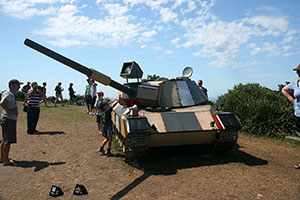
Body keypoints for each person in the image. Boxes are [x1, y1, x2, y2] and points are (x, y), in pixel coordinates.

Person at [281, 64, 300, 169]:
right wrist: (292, 100)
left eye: (299, 71)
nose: (298, 73)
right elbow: (284, 90)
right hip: (298, 115)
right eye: (297, 71)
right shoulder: (295, 84)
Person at [0, 79, 23, 166]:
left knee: (5, 140)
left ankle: (3, 158)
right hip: (8, 120)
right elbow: (2, 103)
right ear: (12, 86)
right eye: (18, 85)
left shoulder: (9, 93)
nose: (19, 87)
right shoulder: (9, 94)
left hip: (8, 119)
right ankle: (6, 160)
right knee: (8, 141)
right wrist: (10, 111)